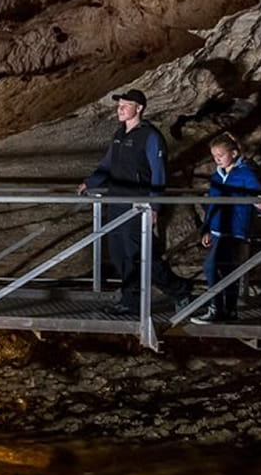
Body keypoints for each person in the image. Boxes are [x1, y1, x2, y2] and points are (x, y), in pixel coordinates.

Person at [79, 88, 193, 313]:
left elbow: (158, 173)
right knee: (119, 254)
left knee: (140, 255)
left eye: (124, 105)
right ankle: (131, 300)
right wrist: (90, 182)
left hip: (137, 205)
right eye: (119, 105)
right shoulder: (120, 134)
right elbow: (107, 165)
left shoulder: (150, 136)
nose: (119, 109)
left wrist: (154, 205)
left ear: (138, 108)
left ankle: (178, 289)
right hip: (117, 202)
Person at [194, 133, 261, 323]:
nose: (217, 159)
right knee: (225, 270)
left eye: (221, 155)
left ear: (233, 153)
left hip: (235, 230)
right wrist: (206, 229)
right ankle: (229, 310)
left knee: (212, 266)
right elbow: (211, 204)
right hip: (218, 229)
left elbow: (258, 192)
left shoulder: (245, 173)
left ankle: (216, 308)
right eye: (214, 155)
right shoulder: (216, 177)